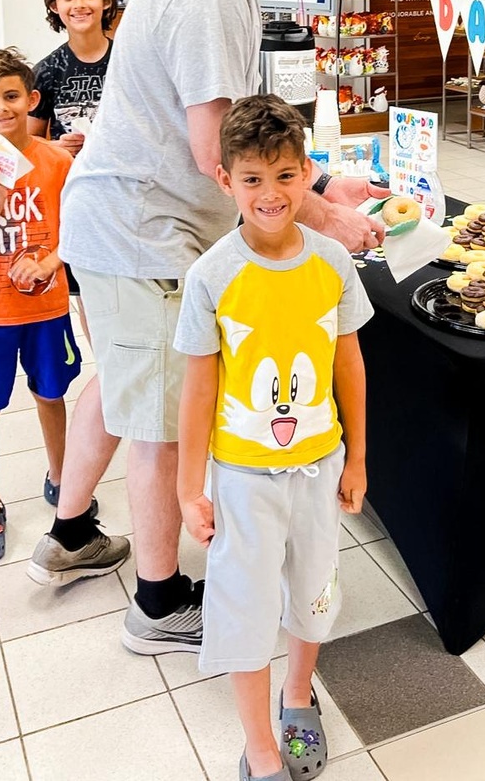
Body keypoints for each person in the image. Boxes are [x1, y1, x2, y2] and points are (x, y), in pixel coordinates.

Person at [27, 0, 387, 656]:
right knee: (156, 418)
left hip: (116, 219)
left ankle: (73, 531)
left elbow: (242, 128)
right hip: (142, 230)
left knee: (117, 384)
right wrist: (328, 219)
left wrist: (323, 177)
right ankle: (156, 603)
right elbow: (219, 151)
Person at [176, 94, 372, 781]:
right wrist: (187, 487)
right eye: (252, 178)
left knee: (314, 589)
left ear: (306, 172)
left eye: (285, 176)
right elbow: (198, 389)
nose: (270, 193)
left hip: (321, 465)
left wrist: (358, 459)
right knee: (244, 603)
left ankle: (297, 695)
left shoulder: (332, 263)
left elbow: (349, 361)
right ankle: (259, 742)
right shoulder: (212, 277)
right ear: (225, 179)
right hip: (242, 476)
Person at [0, 48, 110, 565]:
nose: (2, 108)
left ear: (33, 99)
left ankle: (62, 476)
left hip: (47, 309)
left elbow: (80, 232)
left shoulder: (57, 163)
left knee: (51, 394)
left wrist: (50, 262)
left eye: (12, 96)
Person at [30, 0, 118, 155]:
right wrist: (56, 147)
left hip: (124, 179)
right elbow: (29, 142)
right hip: (69, 179)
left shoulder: (128, 62)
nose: (79, 5)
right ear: (54, 6)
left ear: (106, 1)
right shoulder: (46, 71)